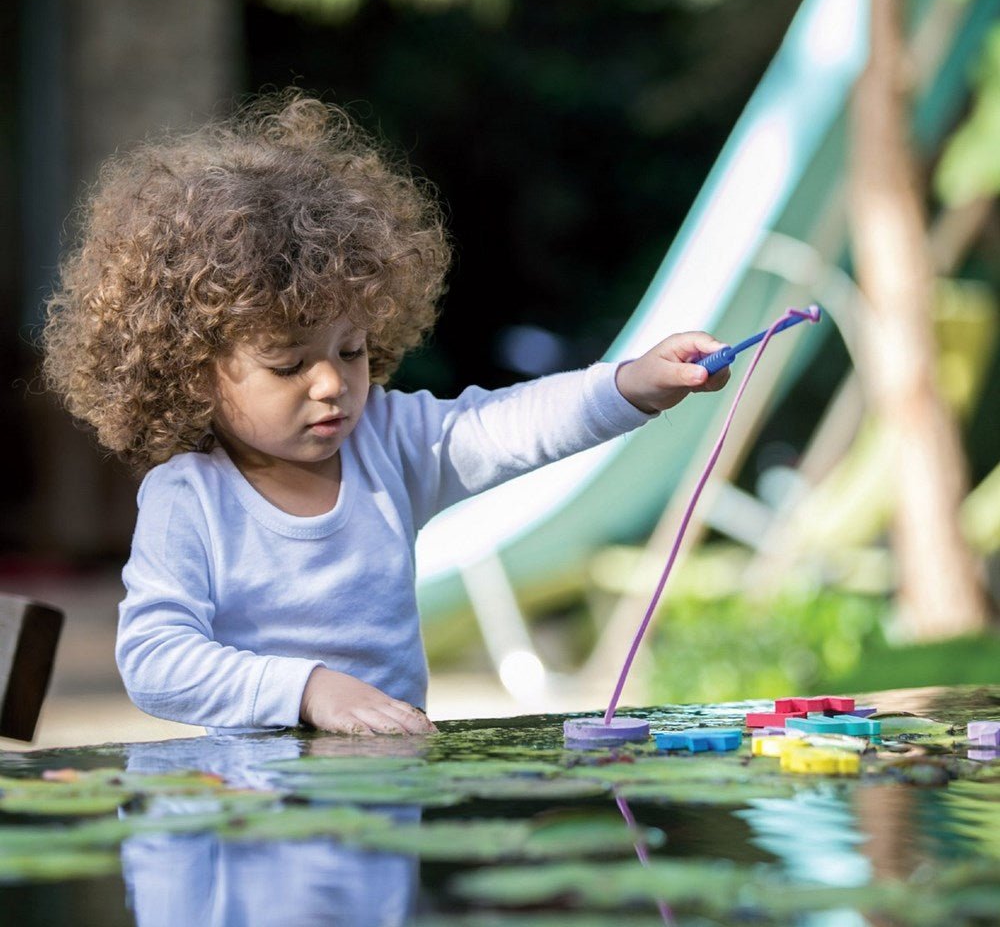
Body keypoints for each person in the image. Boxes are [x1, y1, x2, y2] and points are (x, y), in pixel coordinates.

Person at [42, 91, 729, 738]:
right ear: (195, 372)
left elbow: (512, 426)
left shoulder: (391, 444)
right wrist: (308, 690)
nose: (331, 384)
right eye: (288, 365)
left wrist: (634, 384)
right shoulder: (190, 498)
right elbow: (154, 660)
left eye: (351, 350)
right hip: (253, 818)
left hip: (385, 803)